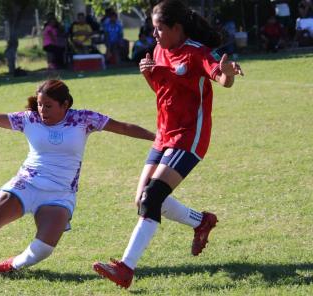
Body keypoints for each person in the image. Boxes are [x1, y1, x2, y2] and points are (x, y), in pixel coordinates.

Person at [0, 79, 156, 276]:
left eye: (48, 105)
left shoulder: (83, 119)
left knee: (44, 249)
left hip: (60, 193)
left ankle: (11, 266)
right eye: (39, 104)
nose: (42, 110)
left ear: (65, 104)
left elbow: (123, 127)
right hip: (26, 183)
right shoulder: (29, 119)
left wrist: (158, 139)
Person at [93, 0, 244, 289]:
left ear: (177, 28)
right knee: (143, 201)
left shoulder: (196, 53)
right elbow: (164, 91)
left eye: (159, 28)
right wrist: (150, 74)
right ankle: (201, 222)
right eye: (153, 28)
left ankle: (126, 268)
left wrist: (227, 72)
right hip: (164, 134)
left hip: (189, 136)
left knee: (152, 198)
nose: (155, 34)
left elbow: (222, 79)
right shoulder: (159, 51)